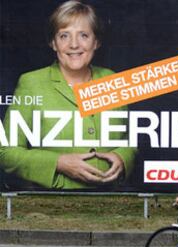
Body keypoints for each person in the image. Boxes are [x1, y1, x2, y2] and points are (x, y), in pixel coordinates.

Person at [0, 0, 136, 189]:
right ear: (53, 43)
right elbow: (6, 152)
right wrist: (58, 162)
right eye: (64, 36)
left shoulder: (112, 79)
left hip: (110, 199)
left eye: (83, 35)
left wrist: (122, 157)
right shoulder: (31, 83)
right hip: (53, 202)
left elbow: (133, 138)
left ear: (96, 42)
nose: (74, 44)